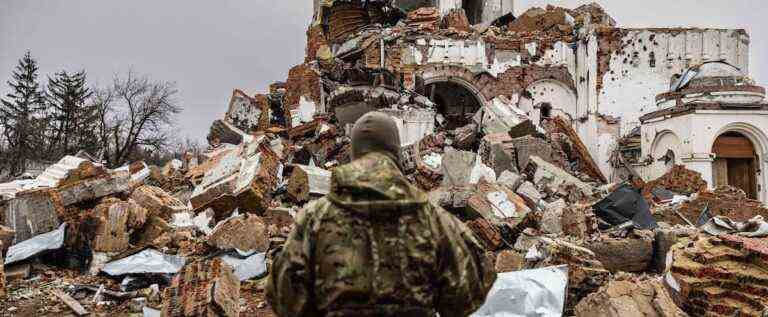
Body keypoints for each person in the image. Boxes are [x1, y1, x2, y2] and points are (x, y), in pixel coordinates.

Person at [267, 111, 495, 317]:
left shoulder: (314, 219)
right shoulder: (435, 220)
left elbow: (284, 299)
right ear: (395, 152)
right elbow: (469, 294)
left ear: (354, 154)